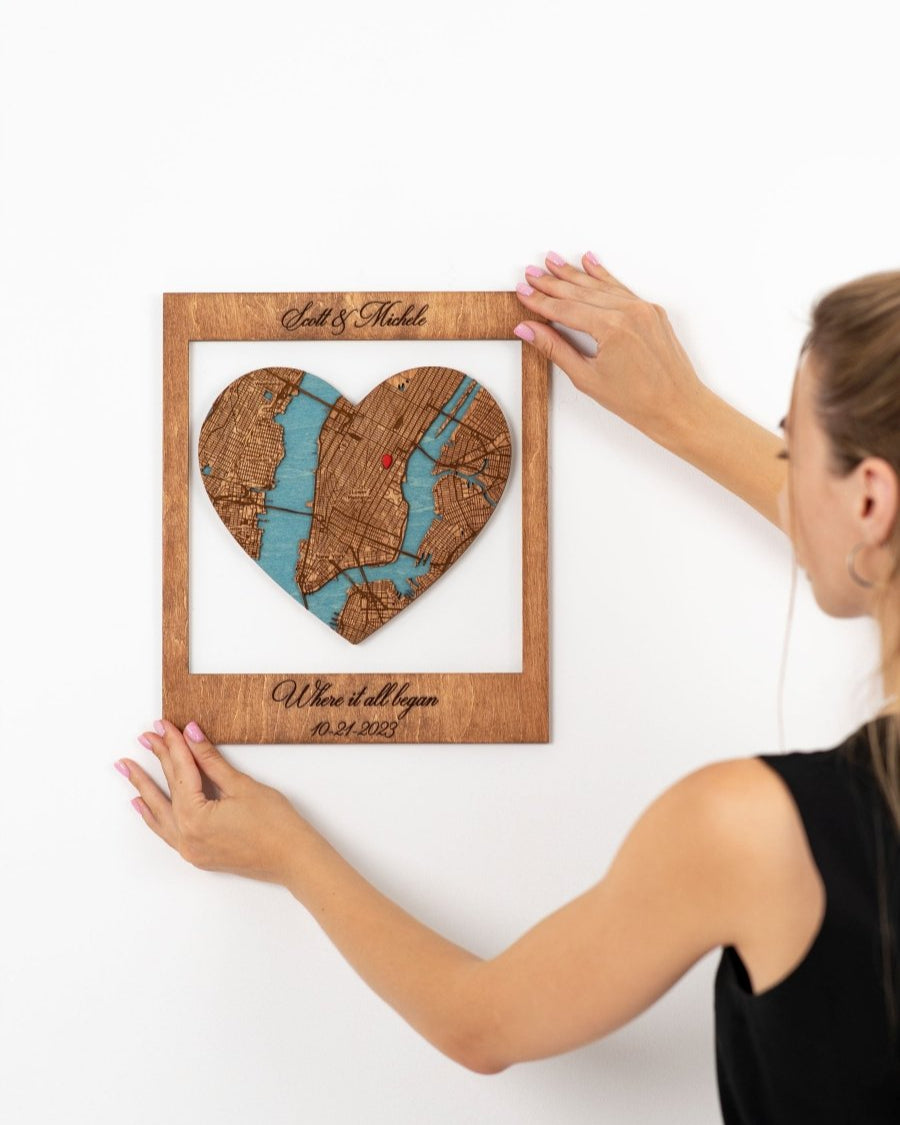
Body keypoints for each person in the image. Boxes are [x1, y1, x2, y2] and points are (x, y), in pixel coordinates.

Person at [116, 253, 900, 1121]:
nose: (782, 466)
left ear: (870, 501)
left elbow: (479, 1022)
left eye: (791, 447)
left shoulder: (753, 831)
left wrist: (289, 852)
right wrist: (680, 411)